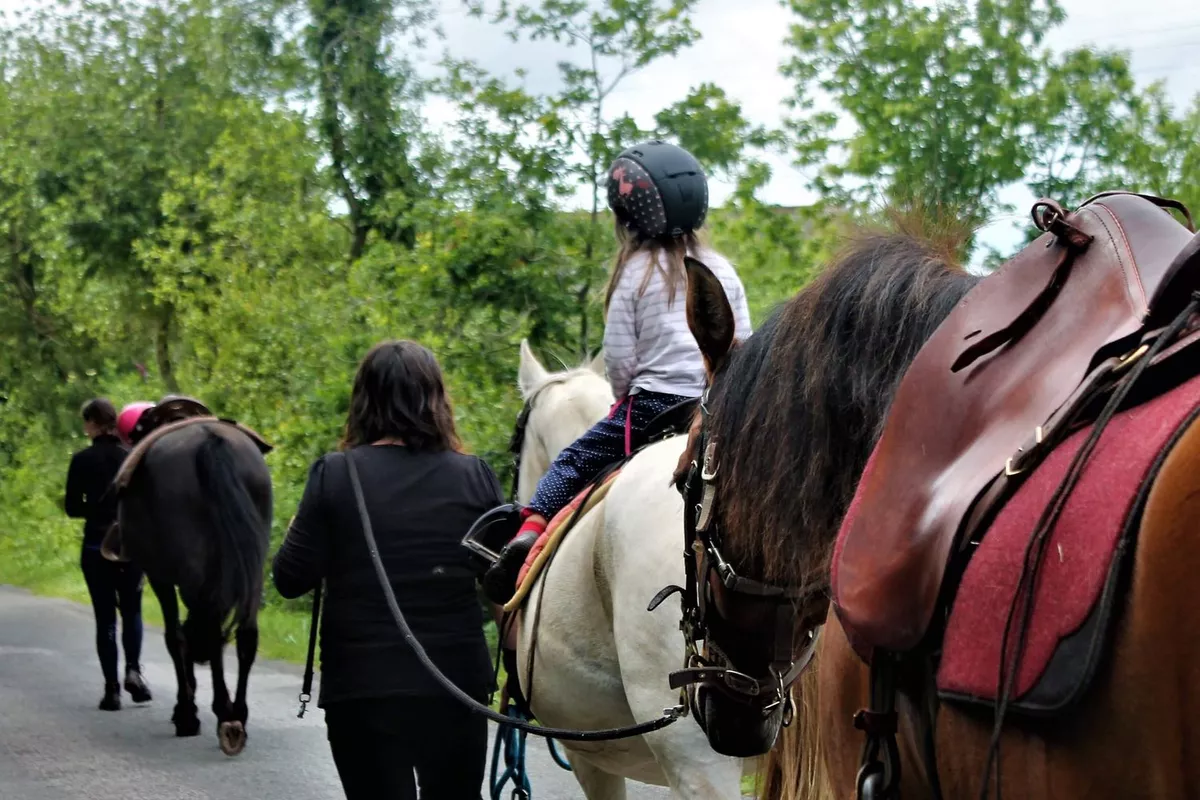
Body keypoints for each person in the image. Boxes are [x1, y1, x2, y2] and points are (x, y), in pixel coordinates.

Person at [481, 139, 754, 604]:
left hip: (650, 408)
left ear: (626, 218)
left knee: (569, 462)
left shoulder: (634, 273)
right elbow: (740, 346)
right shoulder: (721, 268)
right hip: (715, 407)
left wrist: (620, 401)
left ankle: (528, 533)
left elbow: (621, 363)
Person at [272, 340, 503, 800]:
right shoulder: (475, 475)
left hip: (362, 688)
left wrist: (308, 519)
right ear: (436, 399)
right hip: (456, 683)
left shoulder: (334, 475)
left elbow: (290, 579)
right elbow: (505, 585)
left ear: (364, 401)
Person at [65, 398, 151, 711]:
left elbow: (73, 508)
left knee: (105, 619)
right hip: (129, 548)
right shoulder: (132, 457)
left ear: (91, 423)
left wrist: (94, 509)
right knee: (132, 612)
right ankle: (133, 671)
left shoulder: (81, 460)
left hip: (95, 547)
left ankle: (111, 691)